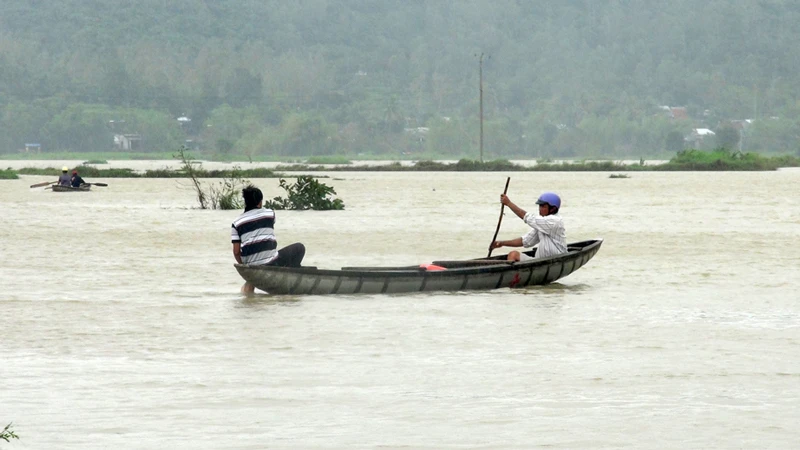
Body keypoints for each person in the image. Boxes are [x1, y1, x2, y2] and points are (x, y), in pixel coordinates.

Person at [231, 185, 306, 294]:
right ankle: (290, 279)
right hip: (271, 262)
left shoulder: (236, 223)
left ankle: (250, 283)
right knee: (299, 247)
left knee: (259, 259)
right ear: (260, 202)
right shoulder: (270, 214)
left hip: (251, 266)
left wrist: (247, 266)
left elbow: (236, 252)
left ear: (246, 202)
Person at [490, 192, 567, 262]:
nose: (540, 209)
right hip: (539, 261)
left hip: (556, 260)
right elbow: (526, 241)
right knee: (513, 254)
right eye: (539, 206)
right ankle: (513, 276)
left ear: (552, 209)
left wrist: (509, 203)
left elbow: (526, 217)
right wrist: (502, 243)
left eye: (543, 206)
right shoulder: (542, 225)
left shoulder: (554, 221)